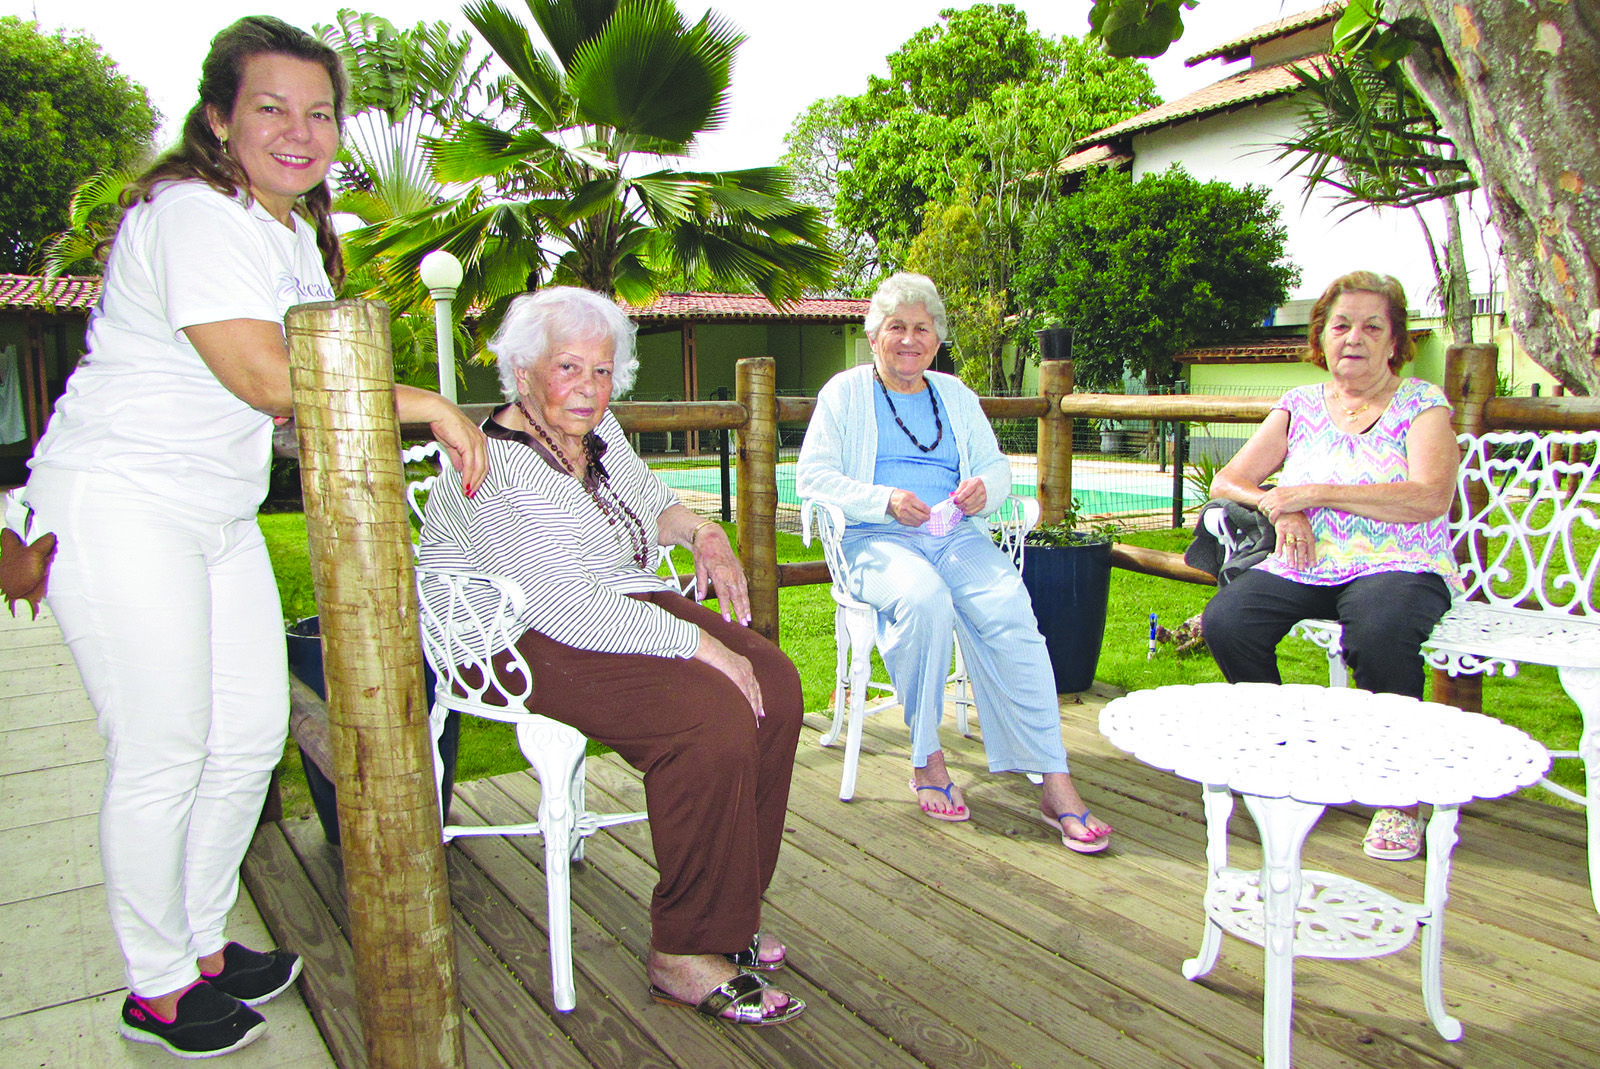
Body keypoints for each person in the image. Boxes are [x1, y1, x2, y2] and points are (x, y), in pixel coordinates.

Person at [21, 17, 487, 1058]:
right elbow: (275, 379)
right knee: (163, 747)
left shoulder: (282, 233)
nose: (299, 130)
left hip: (215, 512)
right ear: (219, 118)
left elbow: (285, 408)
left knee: (243, 738)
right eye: (271, 107)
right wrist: (436, 407)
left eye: (319, 112)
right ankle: (153, 986)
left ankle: (197, 944)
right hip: (119, 501)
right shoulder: (193, 214)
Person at [418, 286, 806, 1027]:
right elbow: (559, 604)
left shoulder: (597, 431)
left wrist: (703, 532)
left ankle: (729, 914)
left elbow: (651, 498)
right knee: (709, 713)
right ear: (524, 369)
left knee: (778, 684)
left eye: (602, 371)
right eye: (569, 367)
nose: (589, 389)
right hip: (513, 632)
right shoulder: (492, 461)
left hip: (613, 601)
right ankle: (684, 951)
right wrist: (699, 645)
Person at [794, 272, 1113, 852]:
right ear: (875, 336)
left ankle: (1054, 779)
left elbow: (996, 470)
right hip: (875, 537)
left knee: (1010, 609)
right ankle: (927, 757)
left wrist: (979, 492)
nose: (910, 339)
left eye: (922, 328)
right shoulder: (844, 394)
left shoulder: (956, 397)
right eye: (897, 327)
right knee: (923, 598)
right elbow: (811, 477)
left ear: (937, 339)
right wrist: (883, 500)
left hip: (954, 534)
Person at [1201, 270, 1461, 861]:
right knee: (1228, 621)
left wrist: (1314, 492)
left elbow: (1429, 497)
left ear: (1395, 341)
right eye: (1341, 325)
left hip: (1397, 562)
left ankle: (1399, 794)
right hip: (1305, 563)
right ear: (1322, 336)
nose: (1355, 337)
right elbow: (1229, 479)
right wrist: (1279, 506)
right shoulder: (1300, 405)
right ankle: (1282, 755)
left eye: (1374, 326)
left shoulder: (1421, 405)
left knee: (1381, 631)